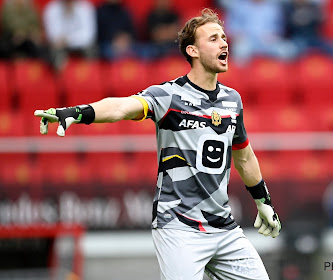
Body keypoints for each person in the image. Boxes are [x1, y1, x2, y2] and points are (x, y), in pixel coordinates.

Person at [34, 9, 281, 280]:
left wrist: (263, 201)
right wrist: (78, 112)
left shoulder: (232, 100)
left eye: (223, 37)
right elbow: (120, 107)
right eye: (213, 39)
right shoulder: (168, 95)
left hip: (224, 227)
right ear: (193, 50)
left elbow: (244, 157)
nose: (224, 43)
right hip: (179, 226)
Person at [221, 0, 297, 65]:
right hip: (247, 41)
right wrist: (239, 36)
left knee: (287, 50)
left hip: (268, 41)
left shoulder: (273, 7)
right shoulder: (240, 6)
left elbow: (280, 27)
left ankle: (280, 78)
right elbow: (231, 28)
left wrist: (274, 35)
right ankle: (240, 79)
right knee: (240, 50)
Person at [43, 0, 97, 70]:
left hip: (80, 45)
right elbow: (52, 35)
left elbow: (88, 36)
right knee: (54, 51)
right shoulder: (52, 8)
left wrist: (68, 40)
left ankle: (89, 77)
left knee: (92, 49)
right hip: (60, 46)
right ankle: (59, 77)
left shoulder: (86, 7)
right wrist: (61, 40)